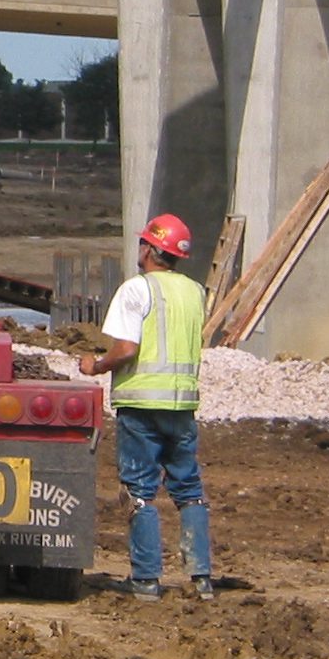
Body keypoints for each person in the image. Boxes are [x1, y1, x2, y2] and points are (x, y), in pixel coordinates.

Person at [81, 213, 212, 601]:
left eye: (143, 243)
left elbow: (127, 349)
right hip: (182, 405)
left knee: (139, 492)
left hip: (141, 405)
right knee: (189, 489)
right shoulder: (195, 292)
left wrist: (96, 366)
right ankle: (201, 577)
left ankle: (146, 580)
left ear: (153, 250)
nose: (138, 249)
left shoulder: (137, 290)